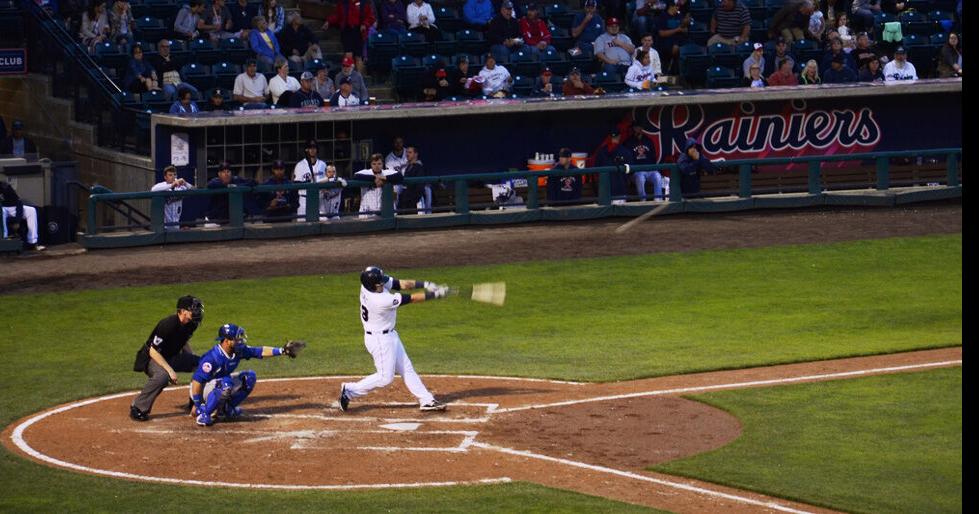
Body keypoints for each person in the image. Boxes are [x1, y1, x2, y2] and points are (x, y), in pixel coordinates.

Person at [337, 266, 452, 413]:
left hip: (390, 335)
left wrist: (425, 284)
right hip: (379, 340)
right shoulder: (381, 300)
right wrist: (436, 295)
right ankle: (349, 390)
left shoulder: (368, 285)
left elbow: (399, 284)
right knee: (385, 378)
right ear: (372, 285)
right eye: (380, 284)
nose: (382, 285)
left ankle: (426, 400)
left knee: (407, 368)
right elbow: (412, 298)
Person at [190, 323, 303, 426]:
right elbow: (197, 382)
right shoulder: (211, 358)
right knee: (226, 383)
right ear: (227, 341)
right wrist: (198, 404)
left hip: (219, 385)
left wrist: (282, 351)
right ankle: (204, 415)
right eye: (236, 339)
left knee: (249, 377)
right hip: (202, 389)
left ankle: (226, 409)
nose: (240, 341)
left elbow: (258, 351)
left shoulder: (237, 351)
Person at [129, 295, 204, 421]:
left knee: (204, 365)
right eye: (193, 309)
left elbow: (183, 341)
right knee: (162, 377)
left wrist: (192, 358)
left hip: (172, 356)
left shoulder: (192, 324)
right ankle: (138, 407)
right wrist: (170, 370)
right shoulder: (167, 324)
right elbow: (153, 351)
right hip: (152, 358)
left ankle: (194, 401)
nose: (197, 312)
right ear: (183, 311)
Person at [324, 0, 376, 71]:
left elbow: (370, 17)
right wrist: (328, 22)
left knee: (358, 57)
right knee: (348, 55)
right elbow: (337, 15)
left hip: (359, 32)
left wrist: (365, 24)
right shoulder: (342, 3)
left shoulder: (364, 3)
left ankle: (359, 78)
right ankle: (349, 77)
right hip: (347, 31)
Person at [293, 140, 332, 221]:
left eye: (314, 148)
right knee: (302, 227)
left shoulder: (323, 164)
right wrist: (308, 182)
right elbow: (296, 184)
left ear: (317, 149)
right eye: (310, 148)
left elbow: (328, 180)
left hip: (319, 200)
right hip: (304, 200)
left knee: (324, 222)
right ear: (306, 150)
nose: (312, 150)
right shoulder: (300, 165)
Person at [354, 153, 403, 218]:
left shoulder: (386, 173)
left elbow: (400, 176)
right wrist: (374, 179)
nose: (377, 166)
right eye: (374, 164)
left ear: (383, 164)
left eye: (379, 164)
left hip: (385, 211)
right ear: (371, 164)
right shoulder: (366, 172)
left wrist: (384, 178)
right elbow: (355, 176)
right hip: (366, 212)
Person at [0, 179, 44, 251]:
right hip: (2, 209)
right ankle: (4, 239)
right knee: (1, 211)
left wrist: (17, 221)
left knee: (31, 211)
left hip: (12, 208)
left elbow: (18, 202)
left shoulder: (4, 186)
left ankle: (32, 242)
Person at [625, 125, 663, 201]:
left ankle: (658, 201)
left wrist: (650, 167)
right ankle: (643, 201)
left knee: (658, 176)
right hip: (636, 172)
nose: (638, 129)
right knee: (640, 178)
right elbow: (628, 161)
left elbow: (653, 158)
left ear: (642, 128)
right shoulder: (628, 142)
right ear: (633, 128)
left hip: (649, 170)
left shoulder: (648, 140)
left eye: (639, 127)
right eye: (636, 127)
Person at [150, 165, 193, 230]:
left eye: (174, 175)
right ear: (165, 177)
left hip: (176, 224)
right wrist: (171, 185)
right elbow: (153, 189)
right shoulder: (163, 186)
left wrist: (185, 183)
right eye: (170, 175)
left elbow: (195, 190)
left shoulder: (181, 187)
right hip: (164, 226)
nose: (173, 177)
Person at [594, 129, 632, 203]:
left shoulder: (625, 151)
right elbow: (596, 169)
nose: (614, 139)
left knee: (620, 211)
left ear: (619, 137)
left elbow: (630, 170)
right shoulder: (602, 151)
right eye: (613, 137)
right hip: (605, 190)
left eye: (616, 137)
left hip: (619, 189)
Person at [655, 0, 690, 75]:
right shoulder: (662, 17)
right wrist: (677, 30)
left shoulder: (679, 16)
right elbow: (662, 33)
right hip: (665, 41)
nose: (678, 8)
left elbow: (685, 30)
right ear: (671, 7)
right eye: (676, 6)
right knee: (675, 49)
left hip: (679, 40)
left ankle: (681, 74)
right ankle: (670, 71)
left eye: (678, 6)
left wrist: (685, 27)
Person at [397, 146, 430, 213]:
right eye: (406, 152)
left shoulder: (419, 167)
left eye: (410, 152)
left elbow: (420, 187)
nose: (407, 154)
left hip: (416, 200)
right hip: (407, 199)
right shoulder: (408, 167)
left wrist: (414, 198)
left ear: (415, 154)